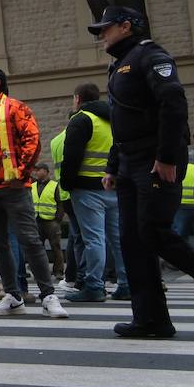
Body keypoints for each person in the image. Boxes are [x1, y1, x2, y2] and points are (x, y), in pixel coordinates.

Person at [91, 6, 194, 338]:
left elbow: (173, 103)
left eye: (106, 28)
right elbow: (124, 119)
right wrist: (113, 166)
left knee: (154, 232)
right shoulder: (120, 64)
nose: (101, 34)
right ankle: (151, 319)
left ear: (126, 26)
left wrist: (166, 157)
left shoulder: (152, 56)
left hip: (154, 160)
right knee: (132, 241)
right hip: (131, 163)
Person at [0, 66, 68, 318]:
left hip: (13, 188)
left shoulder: (15, 108)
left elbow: (33, 139)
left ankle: (48, 295)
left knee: (29, 240)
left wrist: (20, 173)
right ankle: (13, 295)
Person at [59, 83, 127, 303]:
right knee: (118, 240)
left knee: (93, 239)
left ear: (77, 98)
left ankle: (94, 286)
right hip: (113, 186)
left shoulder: (81, 120)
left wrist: (67, 184)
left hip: (87, 189)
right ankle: (126, 284)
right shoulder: (113, 119)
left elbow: (72, 157)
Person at [30, 164, 65, 283]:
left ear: (46, 171)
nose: (37, 173)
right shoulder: (33, 185)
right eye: (36, 171)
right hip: (37, 221)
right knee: (38, 249)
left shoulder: (54, 186)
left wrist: (57, 220)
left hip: (51, 222)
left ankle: (58, 271)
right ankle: (41, 271)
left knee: (56, 247)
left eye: (39, 170)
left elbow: (60, 203)